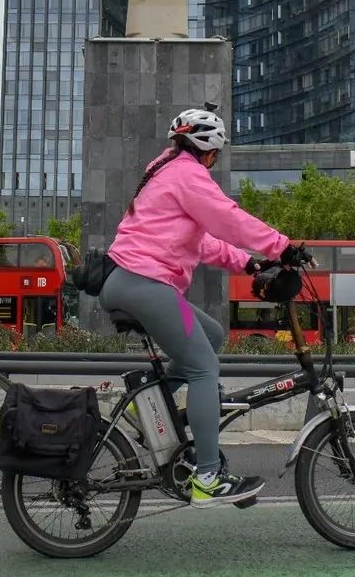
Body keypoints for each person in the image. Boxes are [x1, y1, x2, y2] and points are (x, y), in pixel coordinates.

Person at [99, 107, 306, 508]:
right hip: (144, 283)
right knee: (203, 368)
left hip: (132, 280)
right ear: (209, 150)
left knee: (211, 336)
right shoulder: (187, 174)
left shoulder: (165, 168)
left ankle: (153, 401)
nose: (213, 163)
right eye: (216, 156)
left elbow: (201, 242)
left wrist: (250, 262)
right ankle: (208, 477)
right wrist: (282, 247)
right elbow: (228, 218)